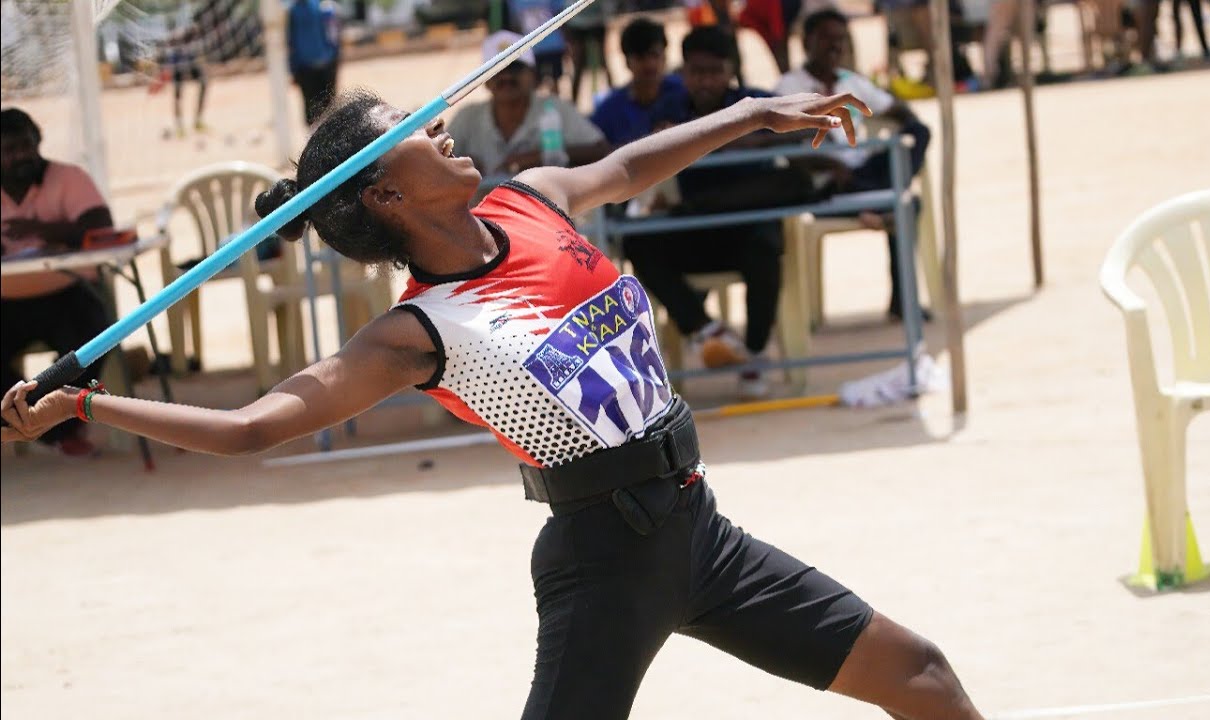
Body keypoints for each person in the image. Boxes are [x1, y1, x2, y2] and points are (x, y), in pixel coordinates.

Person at [1, 85, 983, 720]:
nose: (443, 129)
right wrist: (89, 404)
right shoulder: (413, 332)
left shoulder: (530, 200)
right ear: (383, 196)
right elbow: (252, 427)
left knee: (920, 677)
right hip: (603, 561)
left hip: (699, 529)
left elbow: (632, 165)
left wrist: (752, 112)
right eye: (416, 135)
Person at [636, 26, 792, 397]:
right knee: (638, 244)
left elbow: (799, 128)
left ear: (731, 71)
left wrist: (745, 138)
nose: (705, 81)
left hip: (746, 227)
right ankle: (706, 330)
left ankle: (754, 355)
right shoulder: (668, 110)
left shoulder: (757, 105)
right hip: (694, 226)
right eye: (696, 72)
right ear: (684, 72)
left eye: (714, 71)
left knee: (767, 247)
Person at [776, 8, 932, 321]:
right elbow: (784, 148)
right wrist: (826, 164)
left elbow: (899, 111)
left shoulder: (853, 83)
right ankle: (878, 202)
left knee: (918, 134)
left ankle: (872, 199)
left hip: (860, 172)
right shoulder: (787, 87)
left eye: (841, 40)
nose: (835, 47)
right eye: (826, 40)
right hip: (823, 183)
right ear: (807, 42)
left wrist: (900, 116)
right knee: (906, 205)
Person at [0, 108, 114, 457]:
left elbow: (100, 225)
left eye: (26, 146)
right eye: (9, 150)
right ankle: (22, 423)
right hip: (7, 300)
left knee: (95, 337)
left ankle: (54, 427)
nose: (21, 156)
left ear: (38, 142)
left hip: (66, 293)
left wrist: (41, 230)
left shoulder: (68, 177)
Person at [449, 31, 611, 178]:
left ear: (533, 75)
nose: (506, 77)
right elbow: (433, 159)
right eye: (496, 71)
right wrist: (459, 164)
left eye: (515, 68)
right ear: (485, 81)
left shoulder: (556, 109)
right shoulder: (467, 117)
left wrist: (541, 157)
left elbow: (602, 150)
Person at [589, 17, 684, 147]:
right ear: (627, 62)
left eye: (654, 55)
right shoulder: (609, 110)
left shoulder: (685, 93)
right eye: (641, 58)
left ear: (665, 57)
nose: (650, 64)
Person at [288, 0, 342, 126]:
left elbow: (333, 36)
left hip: (325, 65)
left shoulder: (325, 7)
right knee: (313, 108)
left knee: (328, 108)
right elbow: (291, 42)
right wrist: (293, 69)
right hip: (307, 67)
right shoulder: (294, 10)